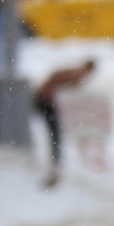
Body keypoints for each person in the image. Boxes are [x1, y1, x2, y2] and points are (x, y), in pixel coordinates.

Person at [33, 60, 96, 188]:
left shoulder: (73, 71)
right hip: (45, 101)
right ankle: (55, 163)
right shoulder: (77, 74)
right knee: (55, 134)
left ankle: (56, 161)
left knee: (54, 133)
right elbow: (68, 92)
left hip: (44, 99)